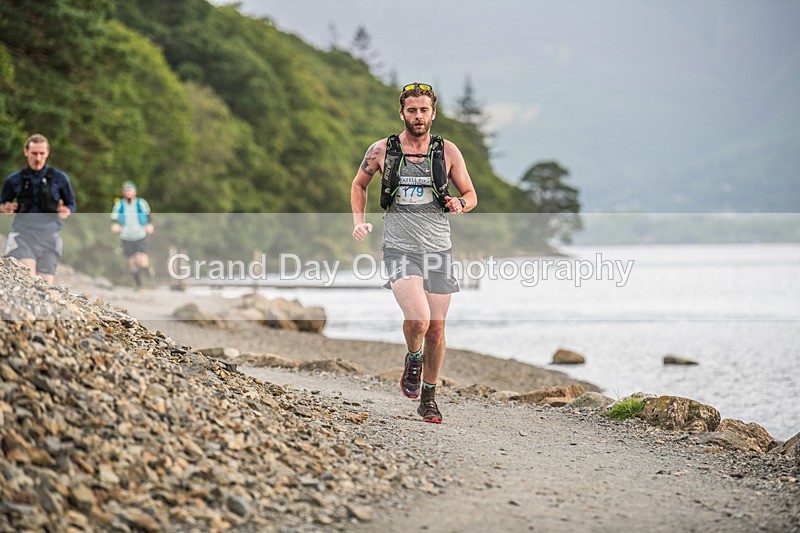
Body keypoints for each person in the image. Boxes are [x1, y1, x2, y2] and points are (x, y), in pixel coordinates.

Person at [351, 82, 477, 423]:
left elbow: (470, 193)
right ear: (402, 113)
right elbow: (359, 184)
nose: (418, 116)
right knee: (419, 320)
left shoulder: (447, 151)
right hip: (399, 247)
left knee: (437, 328)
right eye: (412, 110)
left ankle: (430, 398)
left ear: (433, 113)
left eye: (424, 110)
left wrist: (459, 203)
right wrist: (358, 221)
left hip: (439, 248)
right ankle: (413, 356)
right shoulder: (382, 150)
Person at [1, 134, 76, 284]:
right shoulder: (13, 180)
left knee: (44, 288)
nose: (38, 158)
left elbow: (71, 204)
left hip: (50, 238)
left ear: (47, 152)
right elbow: (2, 204)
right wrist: (5, 208)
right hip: (23, 236)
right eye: (34, 153)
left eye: (42, 153)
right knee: (29, 281)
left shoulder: (60, 178)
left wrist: (65, 211)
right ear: (26, 152)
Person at [111, 181, 154, 289]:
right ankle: (139, 285)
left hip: (140, 234)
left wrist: (149, 225)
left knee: (141, 259)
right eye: (126, 191)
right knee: (132, 261)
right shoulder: (119, 205)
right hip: (126, 236)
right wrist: (115, 226)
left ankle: (149, 277)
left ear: (134, 192)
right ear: (123, 193)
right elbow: (114, 219)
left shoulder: (141, 203)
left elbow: (148, 216)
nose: (128, 193)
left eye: (130, 190)